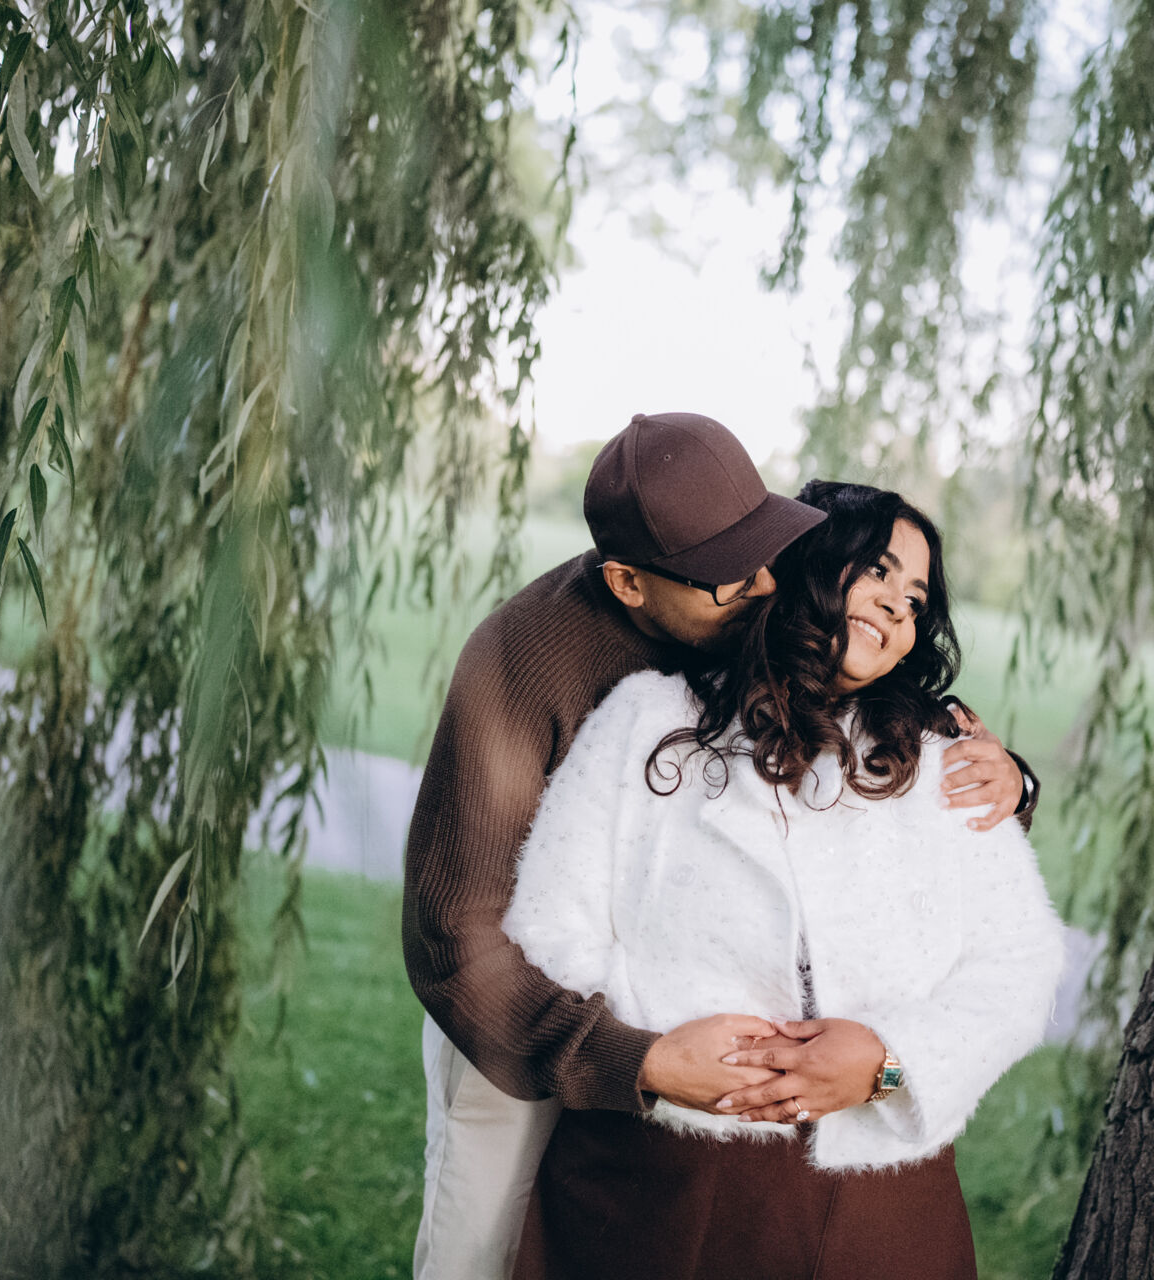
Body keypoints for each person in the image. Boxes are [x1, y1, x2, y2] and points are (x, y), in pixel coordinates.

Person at [403, 415, 1042, 1279]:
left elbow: (872, 705)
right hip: (512, 1008)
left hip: (776, 1137)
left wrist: (1009, 784)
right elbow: (457, 935)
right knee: (482, 1239)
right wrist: (646, 1060)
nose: (765, 584)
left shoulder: (757, 590)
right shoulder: (526, 664)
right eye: (732, 575)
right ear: (631, 583)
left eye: (769, 546)